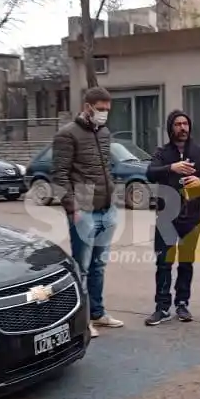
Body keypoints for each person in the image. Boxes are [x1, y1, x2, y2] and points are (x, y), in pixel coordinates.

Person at [51, 87, 124, 337]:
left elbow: (106, 167)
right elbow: (59, 176)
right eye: (100, 109)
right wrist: (72, 208)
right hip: (83, 210)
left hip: (106, 208)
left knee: (99, 266)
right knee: (81, 267)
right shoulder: (66, 135)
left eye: (107, 110)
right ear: (88, 106)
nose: (104, 114)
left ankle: (98, 313)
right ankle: (82, 320)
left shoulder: (104, 133)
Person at [144, 110, 200, 325]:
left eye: (185, 123)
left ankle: (182, 304)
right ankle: (162, 307)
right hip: (166, 218)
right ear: (171, 128)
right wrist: (172, 168)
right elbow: (150, 173)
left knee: (186, 263)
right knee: (164, 263)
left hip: (191, 218)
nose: (182, 127)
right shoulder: (162, 152)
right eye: (178, 124)